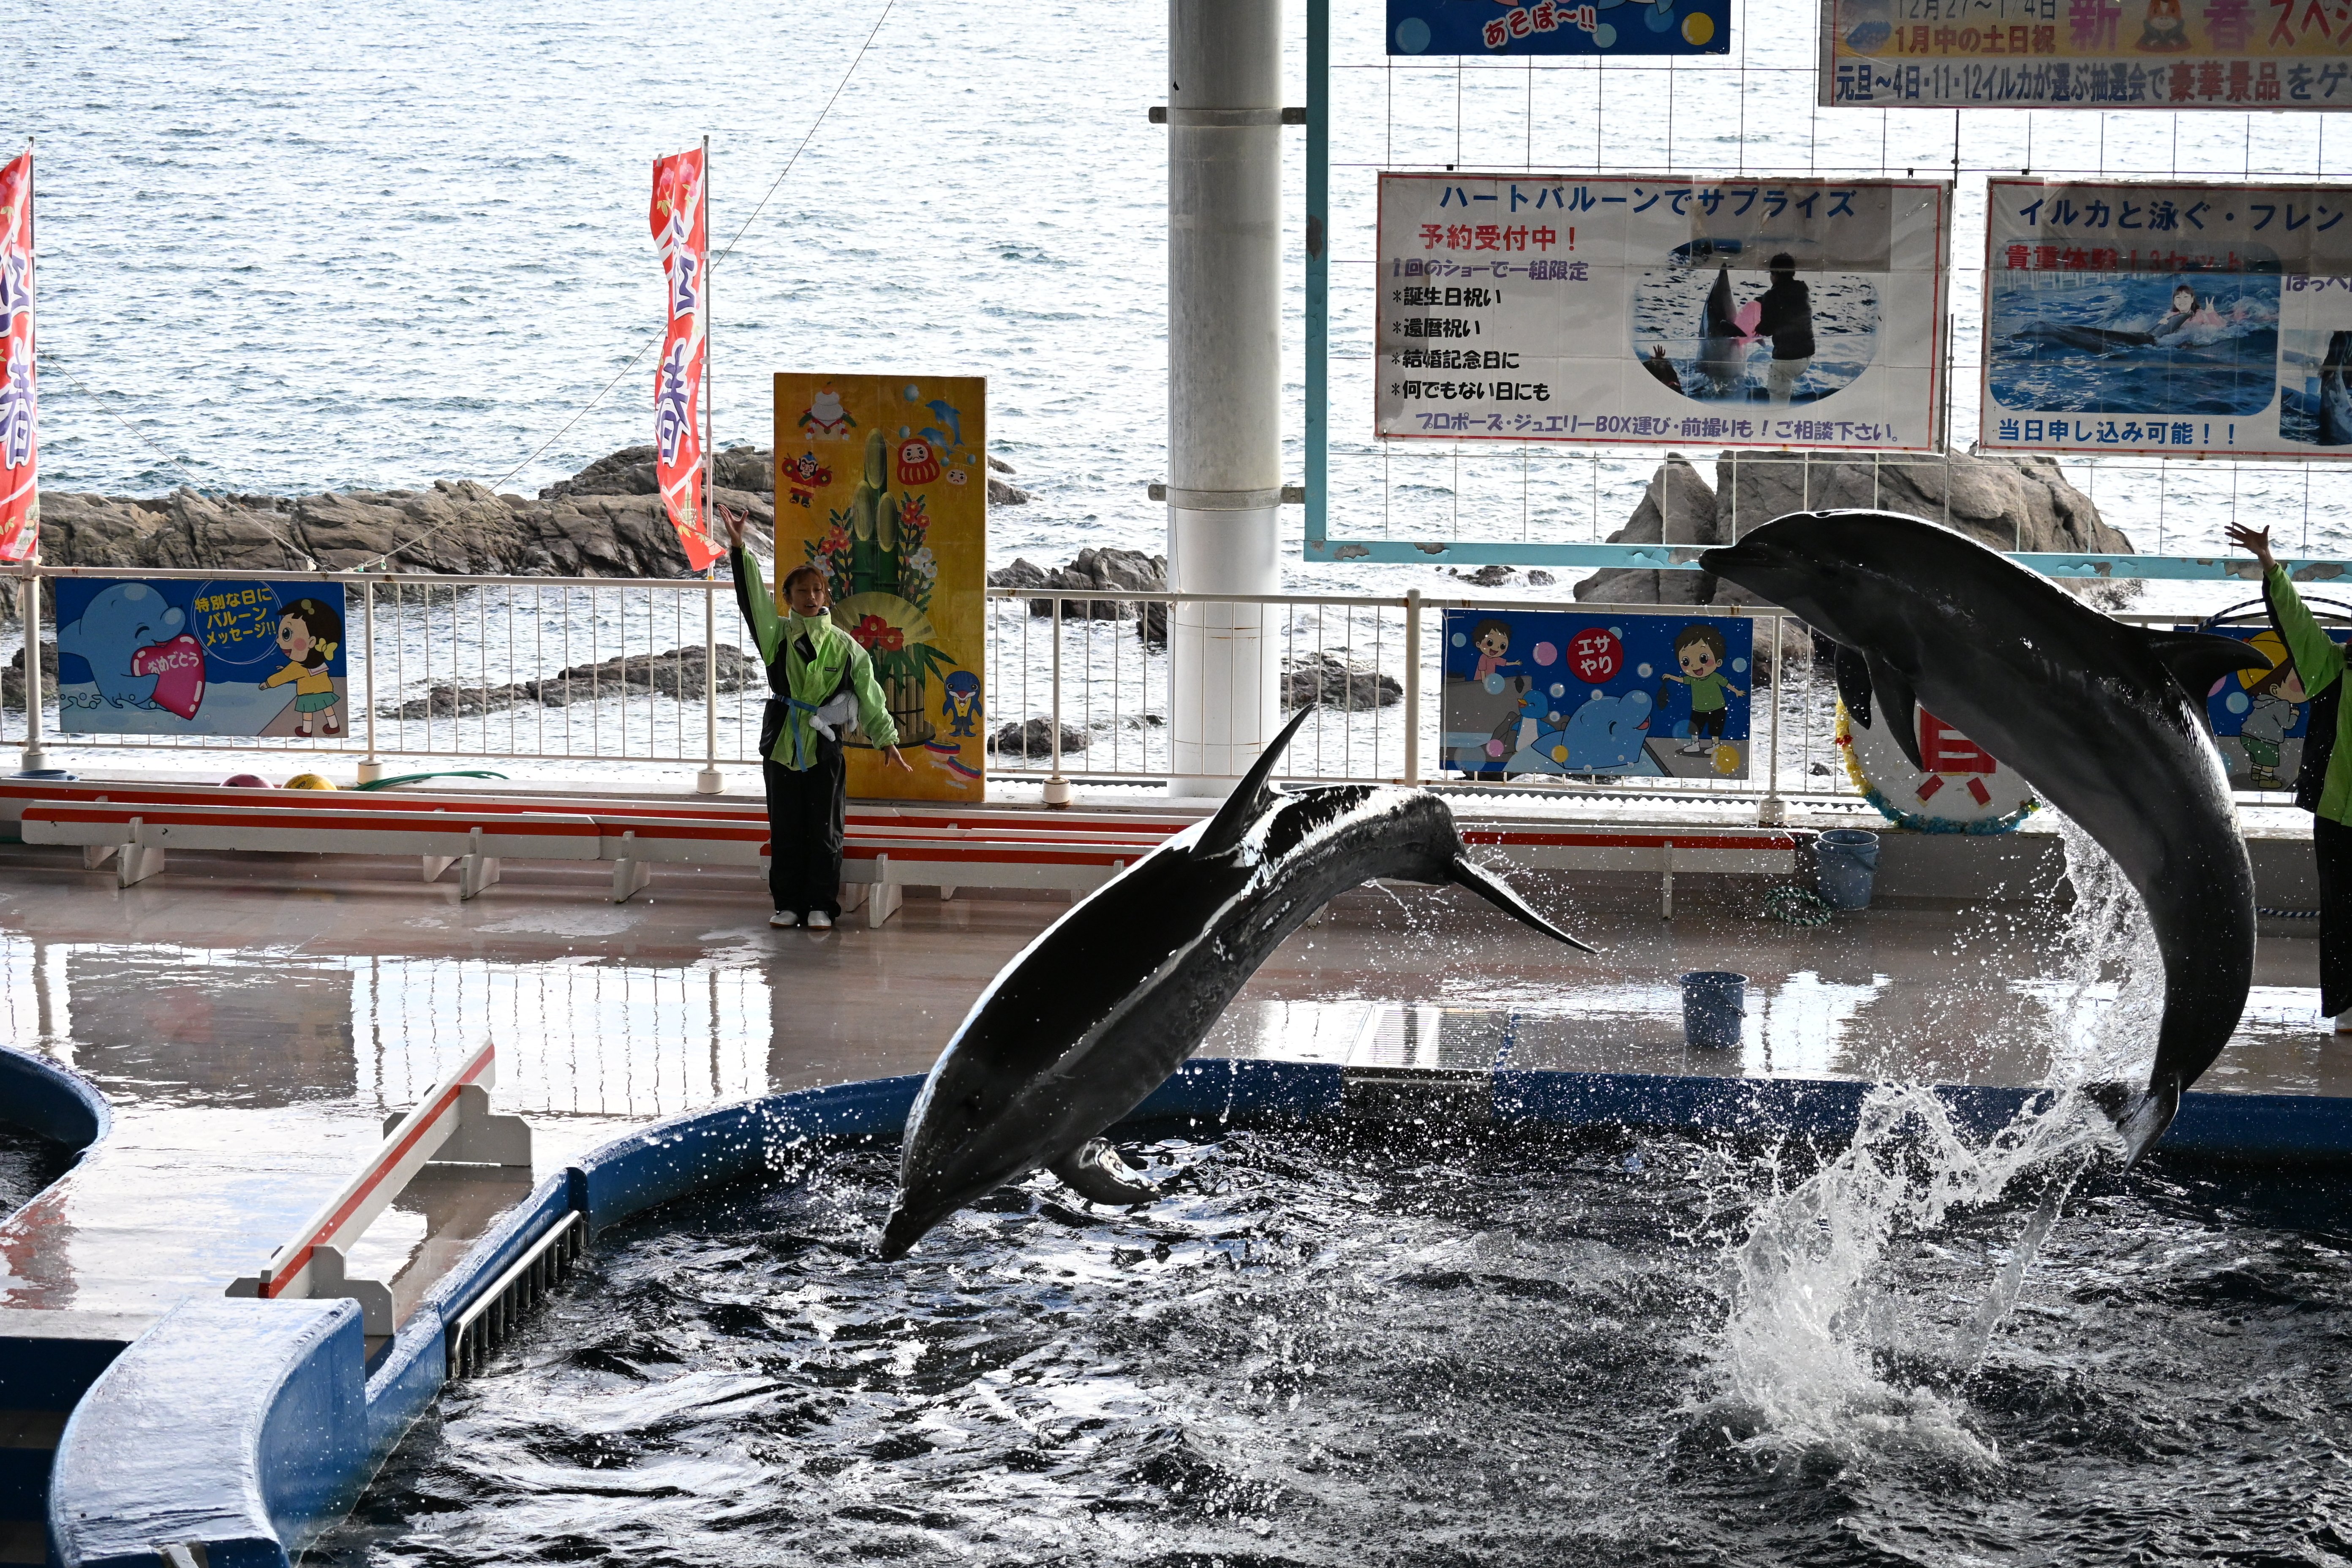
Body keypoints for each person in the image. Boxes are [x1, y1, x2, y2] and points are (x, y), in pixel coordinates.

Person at [725, 509, 909, 929]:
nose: (811, 596)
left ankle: (821, 906)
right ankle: (787, 903)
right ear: (787, 598)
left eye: (817, 590)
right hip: (782, 745)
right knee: (785, 827)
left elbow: (870, 695)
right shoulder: (777, 637)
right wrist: (740, 548)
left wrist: (887, 740)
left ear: (826, 595)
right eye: (801, 591)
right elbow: (752, 599)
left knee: (825, 829)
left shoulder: (847, 647)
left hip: (824, 746)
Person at [2229, 521, 2352, 1030]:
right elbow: (2296, 622)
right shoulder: (2330, 667)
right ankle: (2346, 1004)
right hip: (2338, 811)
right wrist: (2270, 564)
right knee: (2342, 911)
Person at [263, 597, 344, 737]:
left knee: (307, 713)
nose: (278, 640)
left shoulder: (298, 666)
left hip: (308, 693)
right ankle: (334, 726)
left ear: (312, 642)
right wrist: (287, 671)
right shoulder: (318, 659)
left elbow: (284, 677)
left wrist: (268, 683)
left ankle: (307, 731)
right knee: (328, 708)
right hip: (325, 690)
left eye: (286, 634)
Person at [1661, 623, 1745, 756]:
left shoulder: (1715, 676)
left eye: (1703, 659)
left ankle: (1715, 745)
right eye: (1686, 661)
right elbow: (1683, 680)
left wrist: (1736, 691)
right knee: (1695, 728)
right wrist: (1671, 677)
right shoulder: (1692, 679)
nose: (1694, 665)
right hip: (1698, 708)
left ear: (1718, 663)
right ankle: (1695, 744)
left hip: (1717, 707)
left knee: (1715, 729)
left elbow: (1726, 684)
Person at [1752, 253, 1815, 407]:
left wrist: (1758, 326)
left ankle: (1778, 424)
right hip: (1806, 357)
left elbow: (1766, 329)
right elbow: (1789, 304)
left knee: (1777, 405)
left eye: (1771, 273)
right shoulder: (1803, 288)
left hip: (1786, 360)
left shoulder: (1771, 296)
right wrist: (1765, 301)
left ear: (1775, 274)